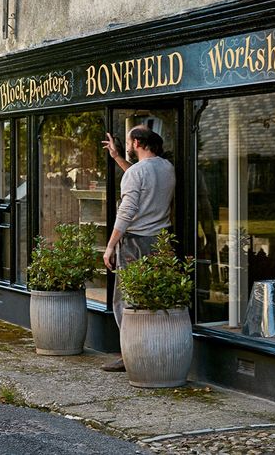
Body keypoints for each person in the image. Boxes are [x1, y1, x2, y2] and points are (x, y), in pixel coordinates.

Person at [99, 126, 176, 372]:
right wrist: (117, 158)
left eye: (130, 142)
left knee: (125, 301)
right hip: (161, 240)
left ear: (138, 143)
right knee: (154, 297)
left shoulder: (136, 173)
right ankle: (154, 349)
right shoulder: (166, 167)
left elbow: (127, 211)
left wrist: (110, 246)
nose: (129, 145)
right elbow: (141, 180)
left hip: (135, 242)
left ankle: (131, 354)